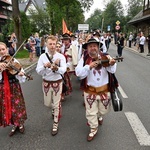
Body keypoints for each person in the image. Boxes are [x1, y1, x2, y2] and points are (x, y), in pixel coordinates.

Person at [75, 38, 117, 142]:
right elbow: (78, 73)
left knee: (104, 110)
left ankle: (100, 115)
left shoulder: (105, 56)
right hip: (90, 91)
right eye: (90, 46)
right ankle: (93, 128)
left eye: (95, 46)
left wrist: (111, 64)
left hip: (104, 91)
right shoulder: (84, 58)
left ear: (98, 47)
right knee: (90, 112)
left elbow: (112, 70)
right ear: (87, 48)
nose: (93, 48)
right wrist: (88, 67)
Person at [36, 36, 67, 136]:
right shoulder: (42, 57)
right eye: (50, 44)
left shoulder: (61, 57)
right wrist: (45, 66)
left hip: (57, 82)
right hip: (46, 82)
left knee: (56, 104)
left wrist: (56, 68)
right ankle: (54, 109)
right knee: (48, 104)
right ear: (47, 45)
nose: (52, 46)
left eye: (54, 44)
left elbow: (64, 70)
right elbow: (38, 71)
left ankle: (55, 123)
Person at [0, 42, 27, 137]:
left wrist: (20, 74)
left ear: (7, 50)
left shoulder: (13, 60)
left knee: (17, 105)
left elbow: (20, 70)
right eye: (0, 50)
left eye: (3, 49)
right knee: (8, 106)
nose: (2, 52)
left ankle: (20, 123)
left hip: (14, 87)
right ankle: (14, 124)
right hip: (3, 88)